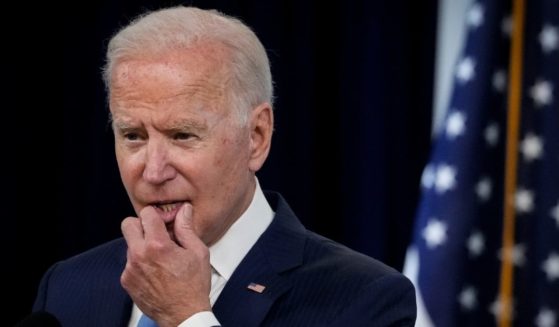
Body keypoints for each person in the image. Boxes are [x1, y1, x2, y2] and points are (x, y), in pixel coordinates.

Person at [33, 6, 416, 327]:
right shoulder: (69, 287)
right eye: (133, 136)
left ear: (257, 137)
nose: (153, 171)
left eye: (182, 135)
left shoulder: (363, 300)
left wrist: (187, 317)